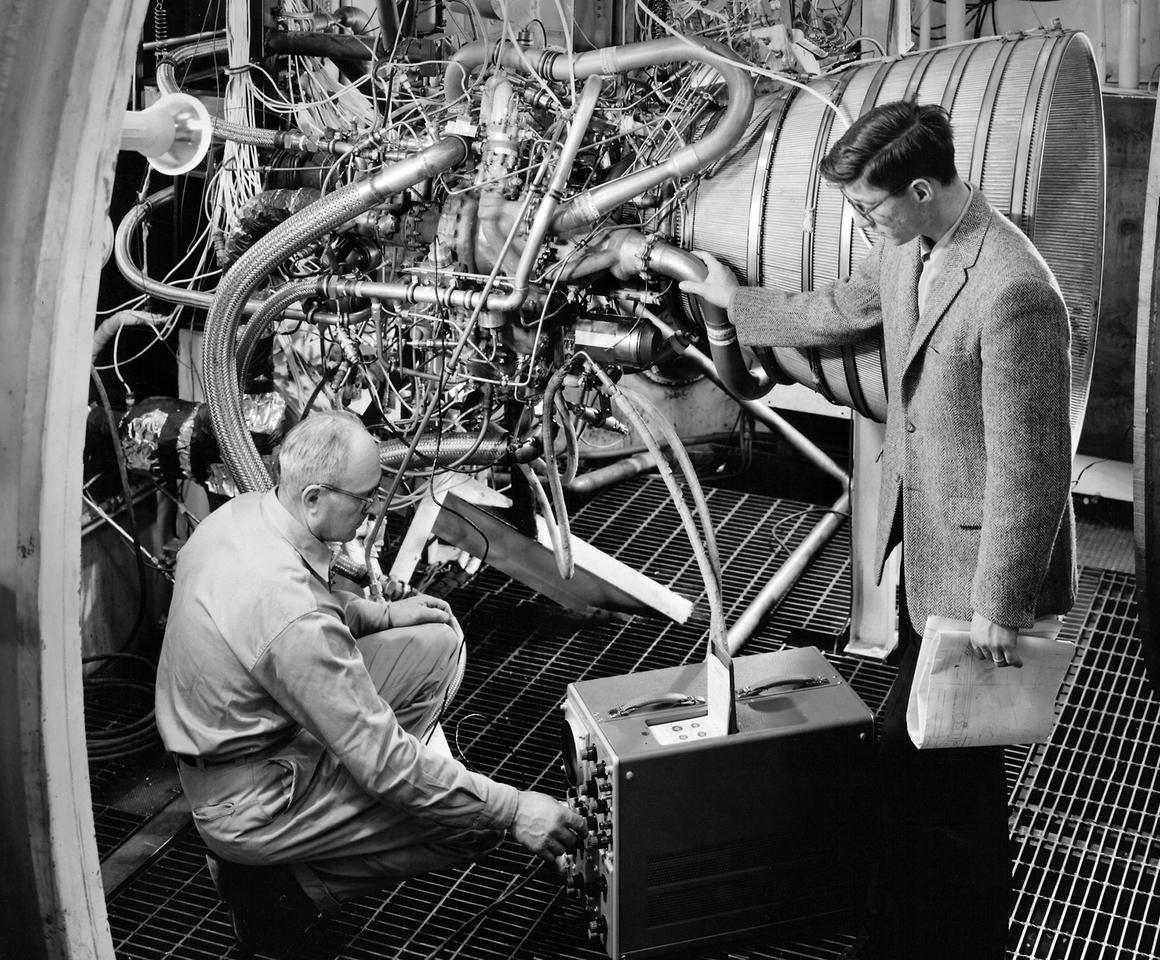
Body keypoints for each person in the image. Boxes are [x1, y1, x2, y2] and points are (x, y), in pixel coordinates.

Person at [679, 100, 1076, 959]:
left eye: (868, 207)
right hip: (926, 544)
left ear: (924, 187)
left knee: (932, 762)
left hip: (979, 575)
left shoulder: (1014, 290)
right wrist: (735, 303)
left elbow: (1033, 466)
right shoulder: (910, 244)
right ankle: (932, 931)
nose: (864, 223)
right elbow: (846, 305)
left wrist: (1000, 604)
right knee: (940, 765)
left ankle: (931, 937)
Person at [155, 409, 585, 956]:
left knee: (433, 643)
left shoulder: (241, 518)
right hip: (253, 802)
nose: (372, 510)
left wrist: (377, 616)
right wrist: (515, 809)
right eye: (363, 499)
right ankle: (277, 892)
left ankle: (337, 813)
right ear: (314, 498)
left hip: (251, 740)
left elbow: (282, 623)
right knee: (469, 822)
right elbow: (385, 763)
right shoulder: (293, 620)